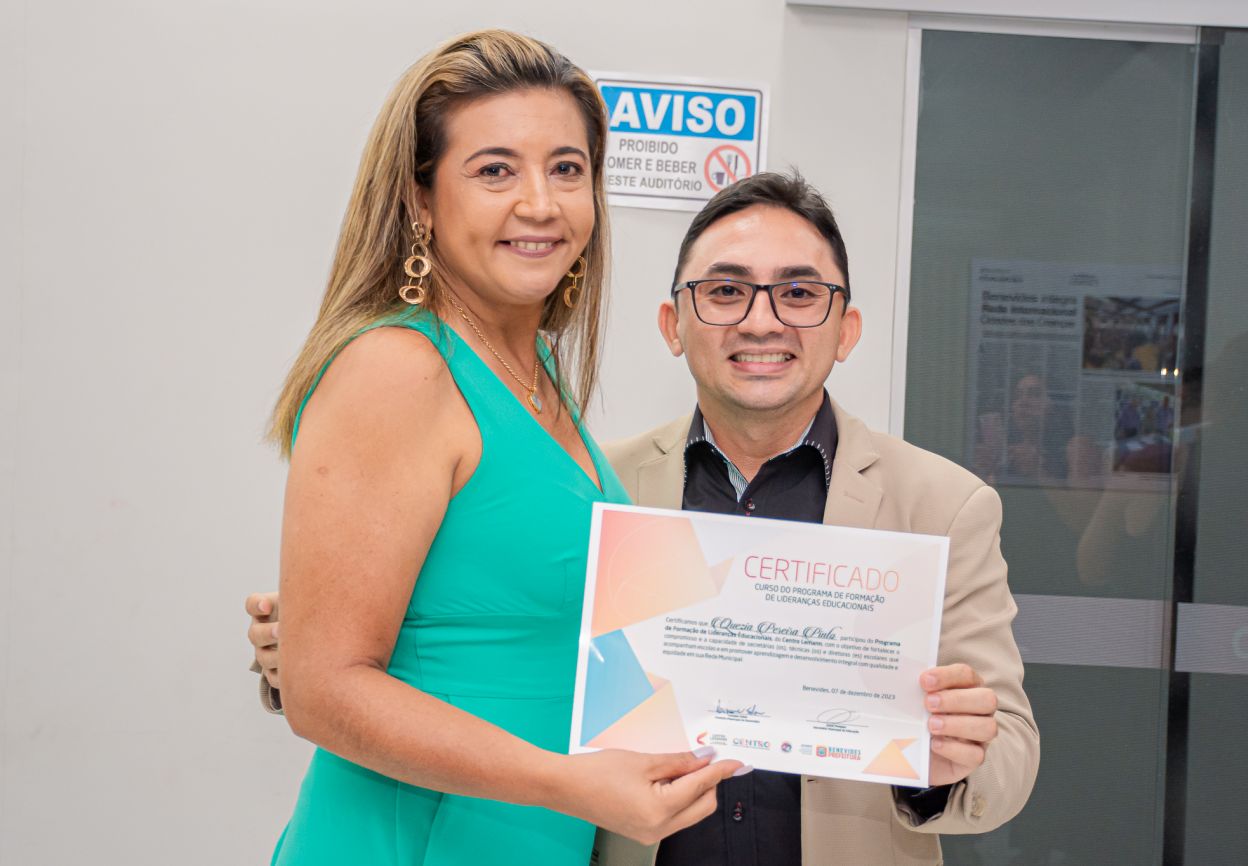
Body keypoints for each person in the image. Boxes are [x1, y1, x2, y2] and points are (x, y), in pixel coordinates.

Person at [249, 172, 1039, 865]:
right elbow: (504, 651)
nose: (762, 321)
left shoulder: (943, 506)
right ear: (673, 325)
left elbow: (1009, 752)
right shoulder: (596, 490)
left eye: (800, 294)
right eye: (725, 292)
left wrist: (949, 766)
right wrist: (320, 643)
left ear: (847, 329)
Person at [258, 29, 743, 866]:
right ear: (419, 199)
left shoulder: (535, 371)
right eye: (494, 171)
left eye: (567, 168)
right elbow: (323, 691)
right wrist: (568, 782)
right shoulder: (398, 367)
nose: (541, 203)